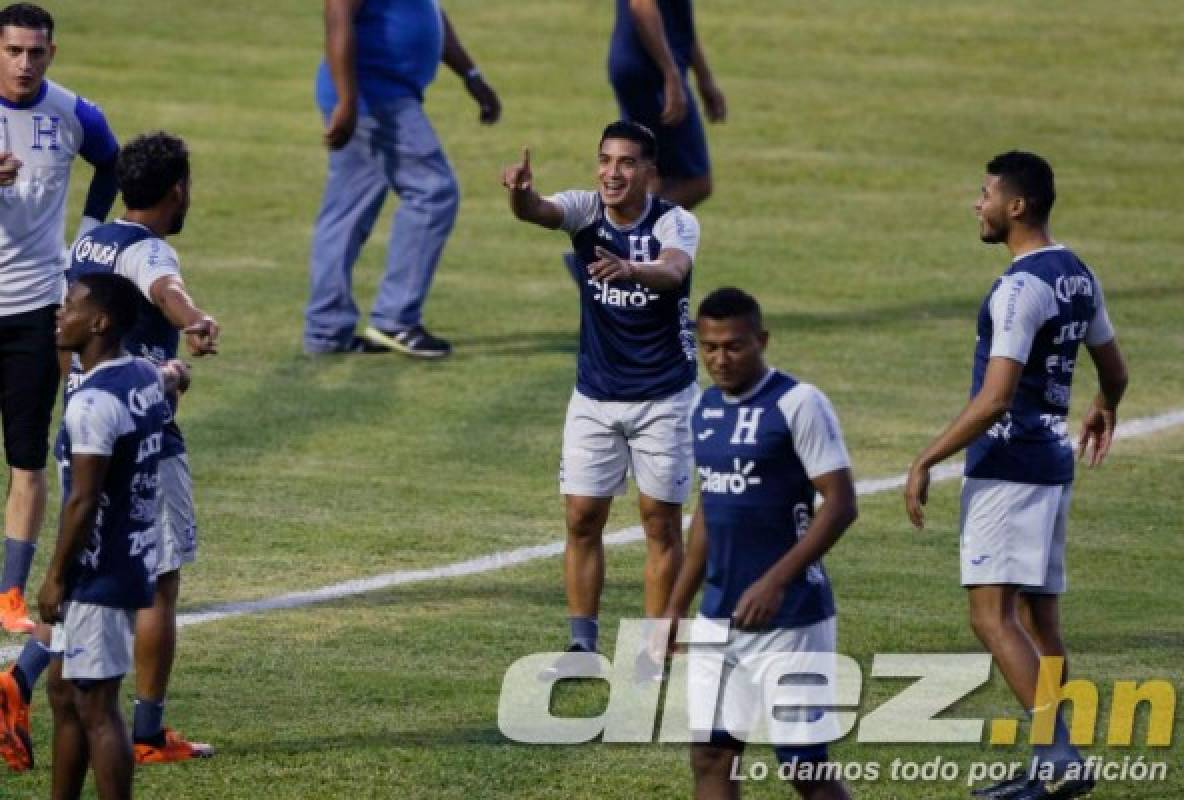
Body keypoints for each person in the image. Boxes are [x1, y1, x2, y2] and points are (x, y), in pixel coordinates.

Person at [904, 152, 1128, 800]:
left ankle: (1059, 758)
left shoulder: (1019, 288)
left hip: (1008, 469)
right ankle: (1051, 759)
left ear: (1017, 206)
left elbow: (996, 396)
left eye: (985, 194)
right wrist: (1104, 407)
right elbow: (1114, 369)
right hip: (1051, 467)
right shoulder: (1077, 274)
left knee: (991, 616)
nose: (977, 205)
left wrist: (925, 459)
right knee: (1038, 623)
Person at [0, 132, 218, 772]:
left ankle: (17, 681)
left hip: (85, 427)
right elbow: (166, 291)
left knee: (99, 578)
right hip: (140, 439)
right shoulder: (151, 251)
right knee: (157, 585)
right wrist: (194, 321)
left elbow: (63, 327)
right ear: (178, 190)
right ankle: (148, 732)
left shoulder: (88, 241)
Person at [502, 121, 699, 664]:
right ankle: (582, 644)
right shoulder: (585, 210)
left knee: (660, 522)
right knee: (581, 517)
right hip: (594, 396)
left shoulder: (676, 222)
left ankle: (659, 646)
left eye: (627, 163)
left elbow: (673, 271)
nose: (612, 173)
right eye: (605, 160)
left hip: (664, 398)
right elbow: (540, 211)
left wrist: (630, 269)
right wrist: (520, 195)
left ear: (650, 174)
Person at [660, 287, 856, 800]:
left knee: (804, 768)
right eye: (709, 347)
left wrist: (776, 579)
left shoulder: (798, 404)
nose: (719, 359)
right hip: (717, 616)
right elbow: (709, 507)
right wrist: (675, 607)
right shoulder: (702, 408)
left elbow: (840, 503)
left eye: (733, 346)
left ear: (761, 340)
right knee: (711, 756)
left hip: (792, 618)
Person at [0, 2, 119, 634]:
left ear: (52, 53)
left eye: (36, 52)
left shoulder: (73, 115)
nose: (24, 63)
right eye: (13, 50)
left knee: (26, 458)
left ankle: (9, 596)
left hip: (33, 310)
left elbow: (114, 161)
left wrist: (87, 243)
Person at [304, 0, 501, 358]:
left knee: (345, 212)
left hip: (373, 98)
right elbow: (338, 14)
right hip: (375, 99)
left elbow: (429, 15)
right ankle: (395, 318)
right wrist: (348, 100)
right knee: (434, 191)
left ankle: (327, 331)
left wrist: (471, 76)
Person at [35, 273, 167, 798]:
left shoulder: (92, 407)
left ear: (100, 322)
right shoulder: (140, 374)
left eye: (70, 306)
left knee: (97, 707)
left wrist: (55, 578)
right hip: (125, 557)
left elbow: (83, 500)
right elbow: (170, 381)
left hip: (98, 571)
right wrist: (179, 375)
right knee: (64, 692)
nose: (60, 314)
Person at [607, 0, 725, 209]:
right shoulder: (662, 72)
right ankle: (616, 238)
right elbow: (641, 4)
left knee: (652, 177)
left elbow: (677, 19)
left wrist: (703, 76)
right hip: (650, 69)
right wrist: (670, 74)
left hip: (641, 64)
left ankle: (623, 235)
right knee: (693, 182)